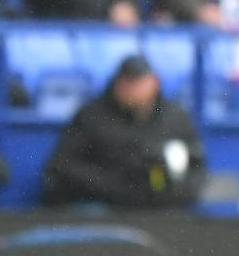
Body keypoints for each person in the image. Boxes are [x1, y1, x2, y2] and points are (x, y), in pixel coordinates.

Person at [42, 55, 206, 210]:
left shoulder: (175, 118)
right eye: (127, 82)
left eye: (139, 82)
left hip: (162, 210)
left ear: (155, 82)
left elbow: (196, 168)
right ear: (116, 83)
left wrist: (167, 194)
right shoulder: (92, 116)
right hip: (103, 208)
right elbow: (61, 167)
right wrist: (113, 185)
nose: (132, 89)